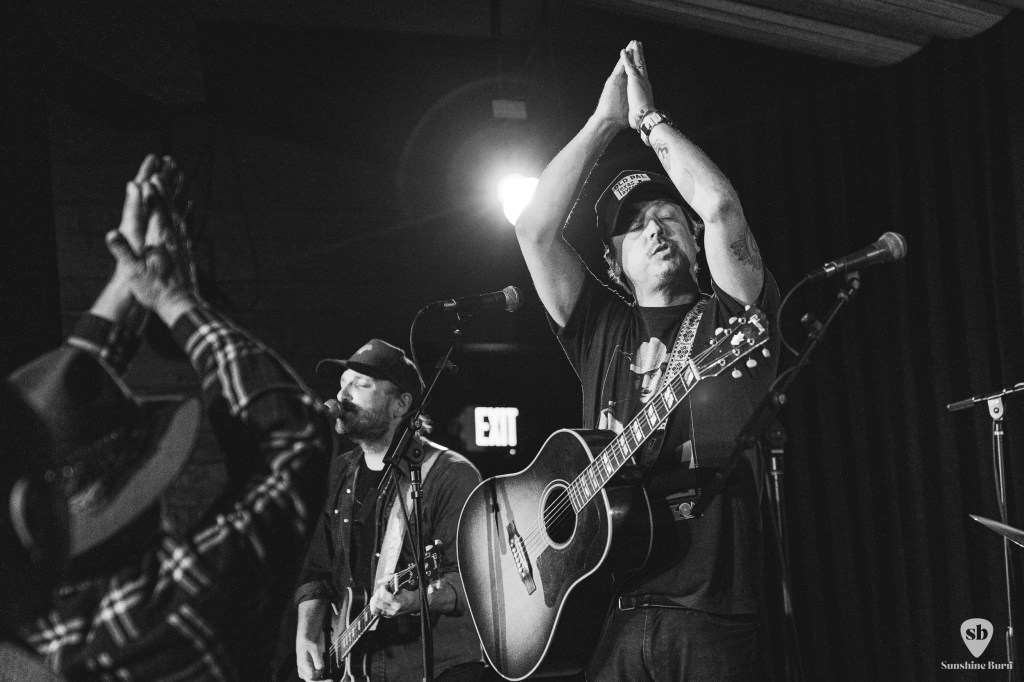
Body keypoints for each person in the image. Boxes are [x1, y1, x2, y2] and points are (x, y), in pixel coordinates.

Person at [513, 41, 780, 680]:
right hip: (611, 611)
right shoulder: (600, 326)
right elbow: (532, 230)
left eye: (667, 217)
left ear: (694, 238)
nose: (656, 229)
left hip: (714, 612)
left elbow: (720, 207)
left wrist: (647, 121)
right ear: (613, 263)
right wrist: (603, 121)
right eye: (634, 226)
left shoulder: (730, 315)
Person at [14, 154, 332, 680]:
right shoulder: (161, 611)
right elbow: (294, 438)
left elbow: (37, 426)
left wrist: (124, 285)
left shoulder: (29, 632)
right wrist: (170, 295)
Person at [293, 340, 484, 682]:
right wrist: (306, 635)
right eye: (343, 383)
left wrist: (419, 598)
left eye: (361, 385)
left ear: (401, 404)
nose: (342, 395)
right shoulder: (338, 472)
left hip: (436, 668)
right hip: (356, 666)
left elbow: (474, 578)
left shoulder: (451, 474)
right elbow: (317, 572)